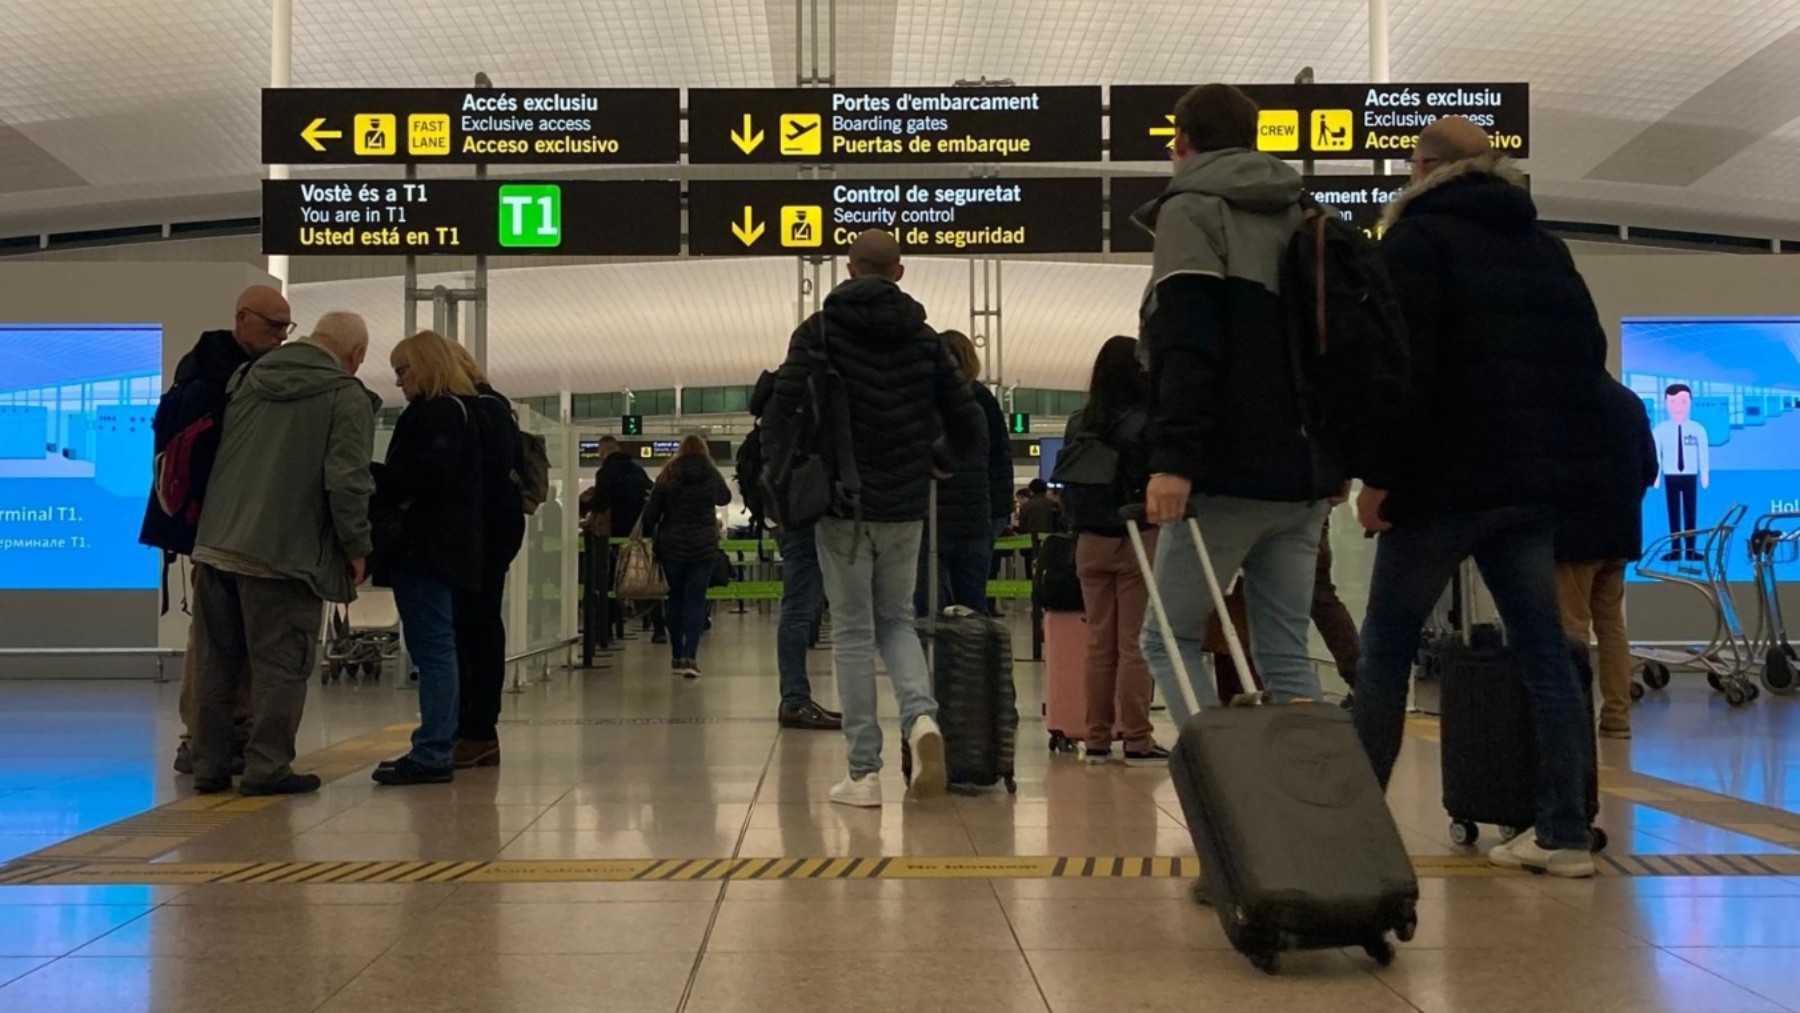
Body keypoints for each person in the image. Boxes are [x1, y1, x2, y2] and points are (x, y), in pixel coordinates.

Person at [1353, 115, 1608, 877]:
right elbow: (1584, 364)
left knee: (1387, 651)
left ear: (1426, 167)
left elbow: (1404, 372)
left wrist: (1381, 477)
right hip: (1527, 486)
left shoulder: (1415, 243)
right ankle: (1563, 833)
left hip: (1440, 485)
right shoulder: (1546, 249)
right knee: (1546, 654)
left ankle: (1358, 827)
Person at [1131, 83, 1343, 723]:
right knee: (1283, 650)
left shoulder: (1191, 209)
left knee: (1168, 637)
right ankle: (1304, 795)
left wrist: (1174, 461)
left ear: (1181, 144)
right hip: (1305, 479)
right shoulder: (1304, 211)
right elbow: (1333, 347)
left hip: (1227, 473)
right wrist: (1335, 456)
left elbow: (1188, 343)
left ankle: (1219, 790)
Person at [762, 229, 984, 807]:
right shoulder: (926, 340)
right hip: (906, 504)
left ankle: (864, 773)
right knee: (899, 621)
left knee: (855, 633)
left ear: (849, 268)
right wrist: (937, 463)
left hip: (841, 506)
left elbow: (781, 413)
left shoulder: (818, 333)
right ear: (900, 273)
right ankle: (922, 721)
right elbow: (970, 424)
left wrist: (784, 482)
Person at [187, 312, 375, 795]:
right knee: (281, 665)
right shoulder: (344, 394)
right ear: (356, 356)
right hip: (283, 554)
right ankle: (267, 767)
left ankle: (209, 764)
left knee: (215, 661)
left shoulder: (248, 375)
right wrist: (356, 546)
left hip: (216, 544)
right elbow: (347, 481)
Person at [143, 284, 293, 776]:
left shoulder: (203, 367)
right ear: (242, 318)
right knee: (213, 638)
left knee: (219, 636)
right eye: (272, 326)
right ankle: (207, 734)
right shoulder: (221, 375)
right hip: (217, 525)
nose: (279, 337)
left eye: (285, 328)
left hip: (212, 523)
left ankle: (219, 734)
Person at [373, 330, 485, 786]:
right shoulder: (460, 410)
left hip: (426, 548)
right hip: (444, 547)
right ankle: (437, 743)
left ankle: (434, 749)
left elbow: (423, 478)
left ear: (428, 366)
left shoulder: (439, 414)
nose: (399, 381)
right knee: (438, 646)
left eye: (404, 370)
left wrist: (373, 476)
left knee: (433, 648)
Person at [1063, 335, 1165, 765]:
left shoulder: (1078, 421)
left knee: (1098, 645)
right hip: (1135, 538)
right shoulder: (1147, 421)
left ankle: (1098, 737)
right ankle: (1138, 738)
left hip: (1088, 542)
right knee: (1134, 644)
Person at [1558, 376, 1659, 738]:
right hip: (1620, 535)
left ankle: (1575, 720)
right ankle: (1618, 718)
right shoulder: (1629, 402)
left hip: (1574, 537)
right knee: (1612, 628)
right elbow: (1650, 469)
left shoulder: (1564, 400)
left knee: (1572, 630)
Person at [445, 343, 525, 768]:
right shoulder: (494, 405)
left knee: (475, 627)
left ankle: (477, 728)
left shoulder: (479, 408)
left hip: (482, 533)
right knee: (476, 624)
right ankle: (473, 728)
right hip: (492, 530)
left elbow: (478, 474)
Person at [753, 375, 842, 730]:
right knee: (801, 609)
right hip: (812, 515)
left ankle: (795, 697)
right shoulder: (804, 399)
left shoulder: (775, 403)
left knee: (799, 608)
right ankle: (794, 698)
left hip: (789, 515)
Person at [915, 330, 993, 615]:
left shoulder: (922, 406)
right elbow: (996, 461)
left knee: (927, 607)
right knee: (972, 606)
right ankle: (973, 659)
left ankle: (931, 660)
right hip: (973, 520)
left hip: (930, 519)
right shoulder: (980, 406)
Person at [641, 435, 731, 678]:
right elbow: (725, 498)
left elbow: (650, 513)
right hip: (703, 545)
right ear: (704, 450)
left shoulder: (668, 473)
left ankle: (676, 655)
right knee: (696, 600)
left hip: (672, 545)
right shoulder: (710, 472)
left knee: (675, 598)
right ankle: (691, 656)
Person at [585, 434, 661, 642]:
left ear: (602, 452)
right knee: (648, 578)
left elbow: (601, 504)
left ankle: (608, 629)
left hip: (615, 534)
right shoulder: (638, 470)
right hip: (641, 533)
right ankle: (659, 628)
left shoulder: (605, 473)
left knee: (610, 580)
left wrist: (589, 502)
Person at [1653, 383, 1709, 562]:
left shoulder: (1698, 429)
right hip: (1670, 476)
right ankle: (1676, 549)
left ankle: (1691, 550)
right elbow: (1656, 455)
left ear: (1690, 403)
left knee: (1691, 512)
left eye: (1683, 402)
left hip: (1690, 476)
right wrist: (1656, 477)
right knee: (1674, 513)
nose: (1678, 407)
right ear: (1665, 404)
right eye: (1673, 402)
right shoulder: (1660, 430)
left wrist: (1704, 475)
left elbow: (1703, 454)